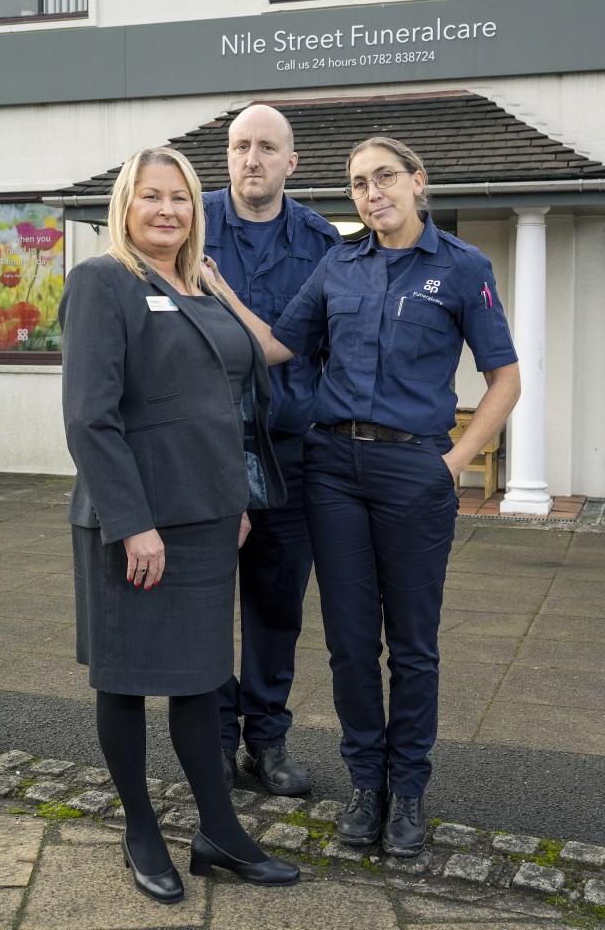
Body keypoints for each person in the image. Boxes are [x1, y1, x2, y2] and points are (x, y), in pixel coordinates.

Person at [205, 135, 521, 857]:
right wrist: (219, 291)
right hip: (333, 470)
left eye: (383, 178)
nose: (371, 193)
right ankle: (366, 785)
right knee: (349, 645)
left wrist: (454, 464)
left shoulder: (462, 268)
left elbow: (505, 377)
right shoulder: (338, 262)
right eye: (356, 184)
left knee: (412, 646)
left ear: (417, 181)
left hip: (415, 472)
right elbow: (278, 347)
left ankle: (408, 790)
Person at [59, 146, 300, 904]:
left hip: (205, 518)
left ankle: (219, 831)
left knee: (201, 681)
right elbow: (91, 419)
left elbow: (223, 402)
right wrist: (134, 525)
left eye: (183, 199)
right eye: (152, 197)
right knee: (127, 681)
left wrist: (231, 502)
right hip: (136, 521)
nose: (168, 210)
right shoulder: (103, 283)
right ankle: (140, 831)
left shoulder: (198, 285)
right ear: (125, 206)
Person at [203, 104, 341, 795]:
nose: (250, 158)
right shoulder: (187, 224)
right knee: (202, 600)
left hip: (289, 454)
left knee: (277, 604)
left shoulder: (322, 242)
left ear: (293, 162)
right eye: (239, 146)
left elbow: (334, 352)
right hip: (202, 451)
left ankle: (267, 740)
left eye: (266, 147)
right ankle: (214, 741)